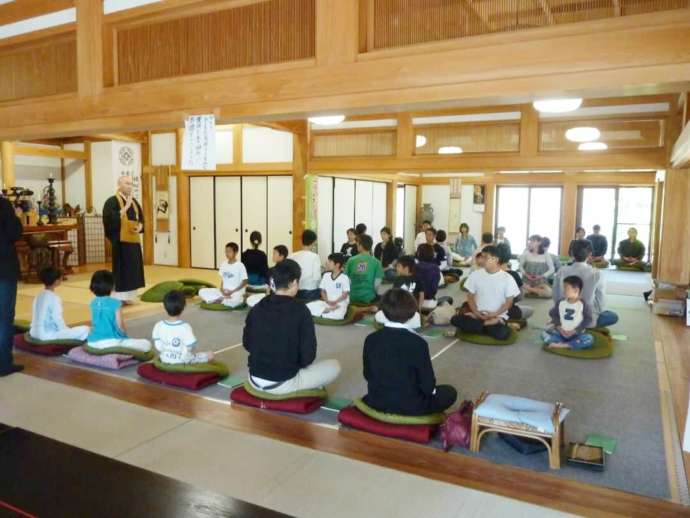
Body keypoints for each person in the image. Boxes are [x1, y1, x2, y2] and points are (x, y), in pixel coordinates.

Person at [243, 259, 341, 395]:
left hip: (254, 378)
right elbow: (308, 357)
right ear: (294, 282)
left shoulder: (258, 306)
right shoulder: (301, 311)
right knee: (334, 366)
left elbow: (247, 344)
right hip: (283, 382)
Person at [363, 289, 457, 415]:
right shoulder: (418, 343)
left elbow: (368, 374)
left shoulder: (371, 339)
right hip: (410, 406)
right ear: (412, 312)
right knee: (449, 392)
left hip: (376, 401)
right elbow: (428, 386)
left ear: (383, 312)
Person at [451, 246, 520, 340]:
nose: (481, 260)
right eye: (481, 256)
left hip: (497, 316)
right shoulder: (475, 275)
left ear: (495, 259)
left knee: (502, 334)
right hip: (477, 315)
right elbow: (470, 297)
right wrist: (475, 312)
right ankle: (486, 325)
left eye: (485, 257)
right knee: (455, 320)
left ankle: (481, 326)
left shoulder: (507, 278)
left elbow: (509, 303)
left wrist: (494, 314)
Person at [553, 239, 618, 328]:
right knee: (612, 316)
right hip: (586, 318)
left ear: (572, 253)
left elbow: (556, 296)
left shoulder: (561, 271)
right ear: (590, 254)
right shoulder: (597, 273)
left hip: (564, 315)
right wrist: (595, 313)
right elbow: (601, 299)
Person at [102, 176, 145, 303]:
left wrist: (140, 226)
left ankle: (130, 296)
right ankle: (119, 296)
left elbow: (141, 218)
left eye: (131, 184)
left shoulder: (134, 202)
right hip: (120, 242)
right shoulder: (112, 201)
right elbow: (109, 220)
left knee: (134, 267)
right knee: (122, 268)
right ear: (119, 184)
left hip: (133, 241)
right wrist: (125, 207)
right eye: (127, 183)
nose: (130, 186)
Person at [86, 270, 152, 353]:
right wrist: (124, 338)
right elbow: (120, 326)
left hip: (93, 342)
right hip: (112, 343)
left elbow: (93, 324)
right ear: (112, 286)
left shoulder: (92, 303)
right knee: (146, 344)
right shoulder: (116, 303)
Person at [153, 290, 214, 365]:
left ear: (165, 306)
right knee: (210, 354)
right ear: (183, 307)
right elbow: (191, 348)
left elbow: (158, 347)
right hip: (183, 361)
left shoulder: (158, 325)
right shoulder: (185, 327)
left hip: (164, 359)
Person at [29, 266, 89, 342]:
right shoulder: (54, 298)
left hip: (33, 332)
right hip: (46, 335)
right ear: (56, 281)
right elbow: (57, 319)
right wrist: (66, 332)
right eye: (61, 278)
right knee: (85, 329)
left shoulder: (38, 296)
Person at [0, 194, 23, 376]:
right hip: (3, 268)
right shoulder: (3, 204)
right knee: (4, 317)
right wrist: (16, 215)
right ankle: (3, 364)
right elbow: (14, 233)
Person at [542, 276, 594, 350]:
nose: (563, 291)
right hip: (560, 332)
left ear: (576, 290)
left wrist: (576, 330)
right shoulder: (561, 302)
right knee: (544, 333)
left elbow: (588, 319)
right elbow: (554, 314)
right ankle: (566, 343)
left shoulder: (583, 304)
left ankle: (564, 345)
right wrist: (558, 327)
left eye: (566, 288)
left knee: (589, 338)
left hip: (576, 334)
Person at [199, 242, 248, 308]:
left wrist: (232, 291)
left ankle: (220, 300)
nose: (227, 254)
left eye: (229, 252)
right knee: (201, 291)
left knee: (237, 299)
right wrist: (221, 289)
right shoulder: (223, 264)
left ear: (236, 252)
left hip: (235, 292)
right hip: (223, 292)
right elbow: (223, 279)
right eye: (226, 251)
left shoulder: (240, 265)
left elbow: (245, 282)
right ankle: (223, 299)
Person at [307, 253, 350, 321]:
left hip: (339, 303)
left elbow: (345, 295)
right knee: (308, 306)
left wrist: (335, 301)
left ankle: (322, 312)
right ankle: (327, 311)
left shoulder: (344, 278)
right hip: (328, 302)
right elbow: (322, 291)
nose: (327, 263)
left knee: (339, 316)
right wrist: (326, 300)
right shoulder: (326, 275)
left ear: (337, 265)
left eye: (330, 261)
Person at [496, 244, 533, 321]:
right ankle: (505, 320)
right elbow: (520, 297)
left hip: (486, 310)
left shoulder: (488, 272)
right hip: (507, 310)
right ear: (509, 256)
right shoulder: (514, 274)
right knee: (530, 310)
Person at [346, 234, 384, 305]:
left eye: (357, 244)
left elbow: (346, 281)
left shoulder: (350, 260)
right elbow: (377, 285)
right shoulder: (377, 263)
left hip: (352, 298)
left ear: (360, 245)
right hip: (369, 299)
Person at [288, 230, 322, 301]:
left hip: (294, 291)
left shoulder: (291, 256)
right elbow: (317, 277)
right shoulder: (315, 257)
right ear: (313, 242)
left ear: (302, 240)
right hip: (310, 292)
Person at [415, 244, 441, 311]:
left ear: (418, 254)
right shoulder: (435, 268)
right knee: (448, 299)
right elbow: (435, 287)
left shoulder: (413, 267)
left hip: (414, 301)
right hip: (430, 302)